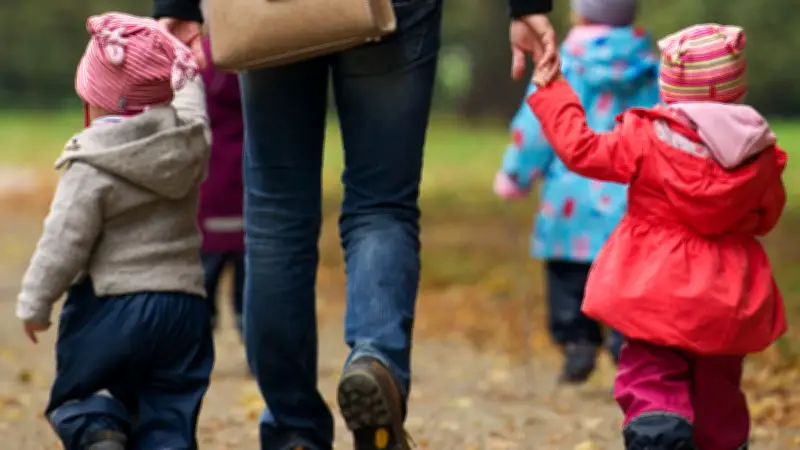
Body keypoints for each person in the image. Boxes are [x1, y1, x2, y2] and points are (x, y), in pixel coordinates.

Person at [153, 0, 560, 449]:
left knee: (277, 213)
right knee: (381, 204)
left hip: (269, 8)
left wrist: (179, 4)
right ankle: (376, 356)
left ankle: (293, 430)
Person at [528, 23, 786, 450]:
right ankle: (723, 442)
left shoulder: (647, 137)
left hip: (656, 283)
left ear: (671, 85)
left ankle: (657, 433)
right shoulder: (758, 152)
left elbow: (583, 150)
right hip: (725, 291)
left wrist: (554, 91)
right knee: (718, 384)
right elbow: (766, 216)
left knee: (650, 368)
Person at [16, 13, 213, 450]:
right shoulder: (190, 144)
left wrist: (36, 301)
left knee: (85, 393)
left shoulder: (90, 162)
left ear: (92, 101)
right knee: (170, 413)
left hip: (111, 305)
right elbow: (193, 106)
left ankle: (99, 432)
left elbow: (64, 240)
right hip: (183, 308)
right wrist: (180, 57)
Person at [494, 0, 659, 385]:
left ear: (580, 14)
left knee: (568, 276)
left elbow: (537, 125)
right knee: (627, 278)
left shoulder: (562, 64)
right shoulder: (650, 67)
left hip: (570, 201)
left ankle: (577, 342)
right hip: (632, 198)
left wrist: (516, 174)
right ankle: (625, 340)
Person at [197, 34, 246, 336]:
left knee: (205, 270)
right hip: (248, 172)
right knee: (249, 271)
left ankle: (200, 327)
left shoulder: (201, 55)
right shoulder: (253, 49)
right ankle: (249, 327)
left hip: (210, 178)